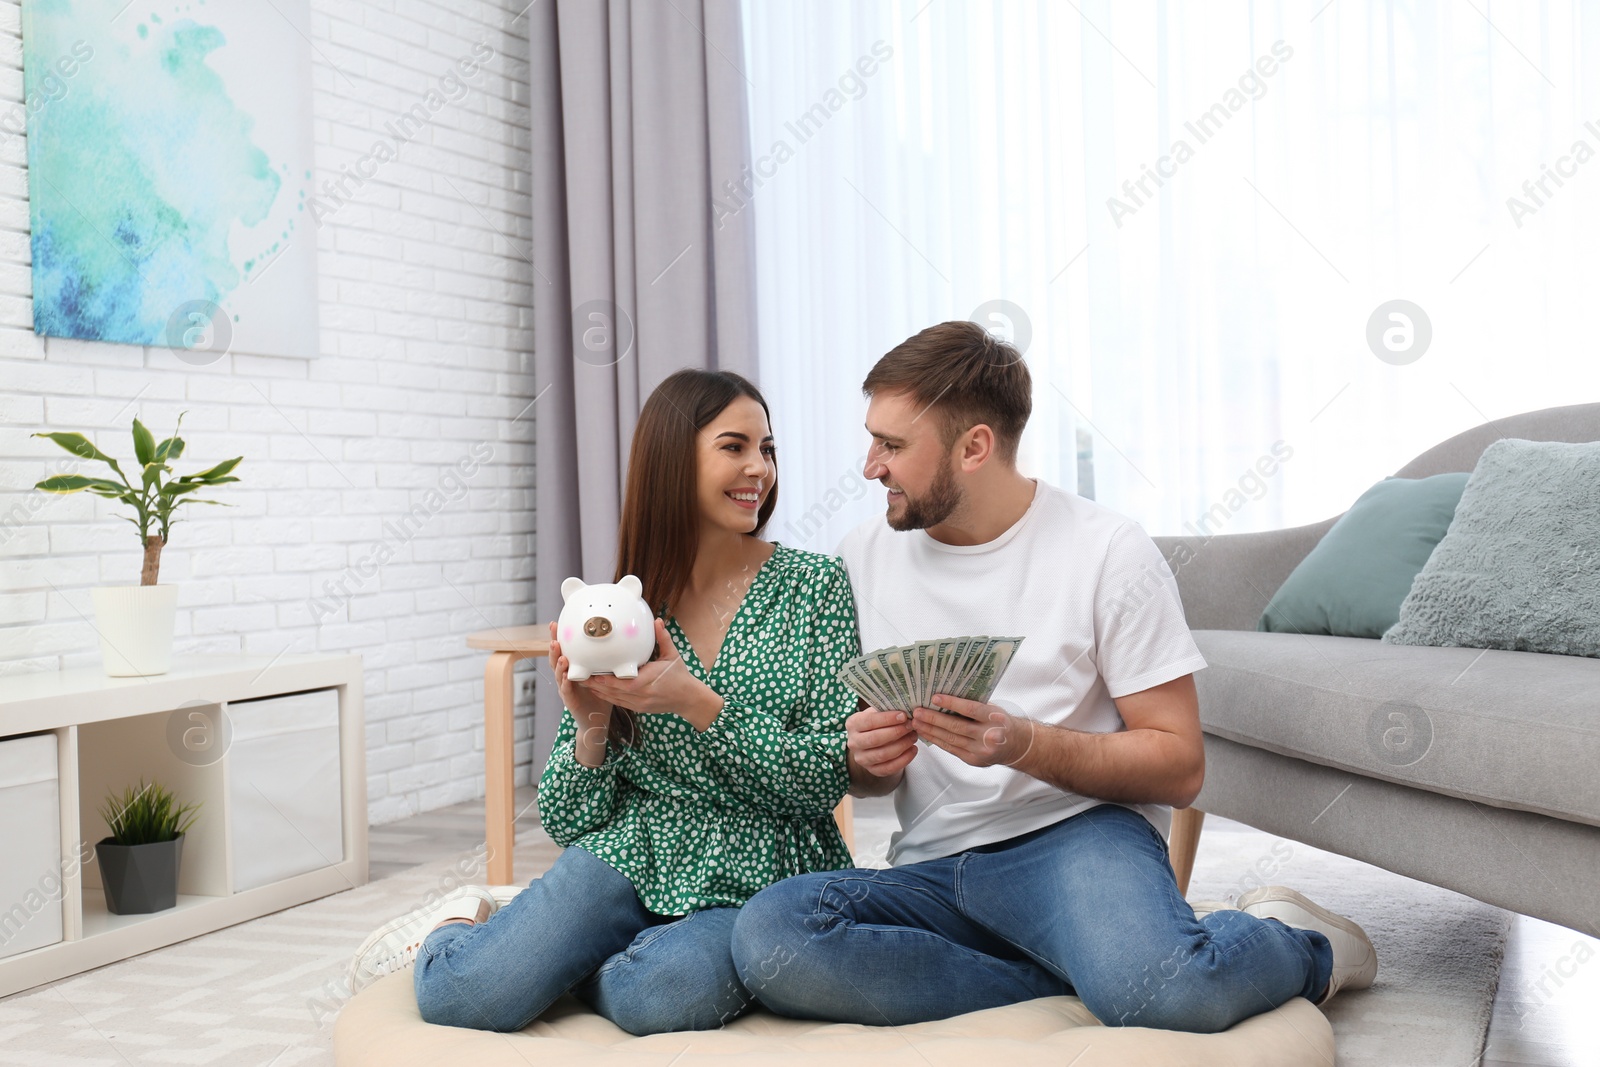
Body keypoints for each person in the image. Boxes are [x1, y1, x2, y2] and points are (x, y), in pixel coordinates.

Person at [729, 321, 1377, 1033]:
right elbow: (872, 781)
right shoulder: (861, 555)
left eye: (893, 445)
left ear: (974, 446)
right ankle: (1082, 972)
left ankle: (1296, 943)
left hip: (1078, 839)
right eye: (872, 438)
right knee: (771, 938)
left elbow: (1180, 764)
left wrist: (1022, 742)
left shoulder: (1106, 551)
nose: (869, 467)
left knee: (1175, 995)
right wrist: (863, 760)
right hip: (933, 866)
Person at [347, 369, 861, 1035]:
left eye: (767, 449)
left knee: (659, 995)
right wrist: (590, 730)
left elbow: (823, 775)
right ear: (673, 459)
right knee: (459, 996)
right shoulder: (622, 607)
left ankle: (568, 958)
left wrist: (698, 703)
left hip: (763, 870)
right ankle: (464, 916)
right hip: (635, 848)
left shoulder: (814, 588)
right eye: (734, 446)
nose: (758, 468)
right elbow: (566, 818)